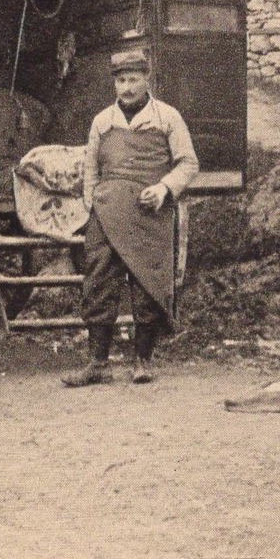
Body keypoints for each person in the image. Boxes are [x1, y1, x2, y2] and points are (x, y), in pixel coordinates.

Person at [65, 48, 198, 387]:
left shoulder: (167, 117)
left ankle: (143, 360)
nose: (126, 88)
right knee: (98, 283)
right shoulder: (102, 121)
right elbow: (91, 169)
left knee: (148, 284)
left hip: (149, 214)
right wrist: (93, 205)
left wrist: (164, 188)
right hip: (106, 216)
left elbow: (188, 163)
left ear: (146, 79)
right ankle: (98, 363)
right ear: (114, 83)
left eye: (133, 79)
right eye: (121, 80)